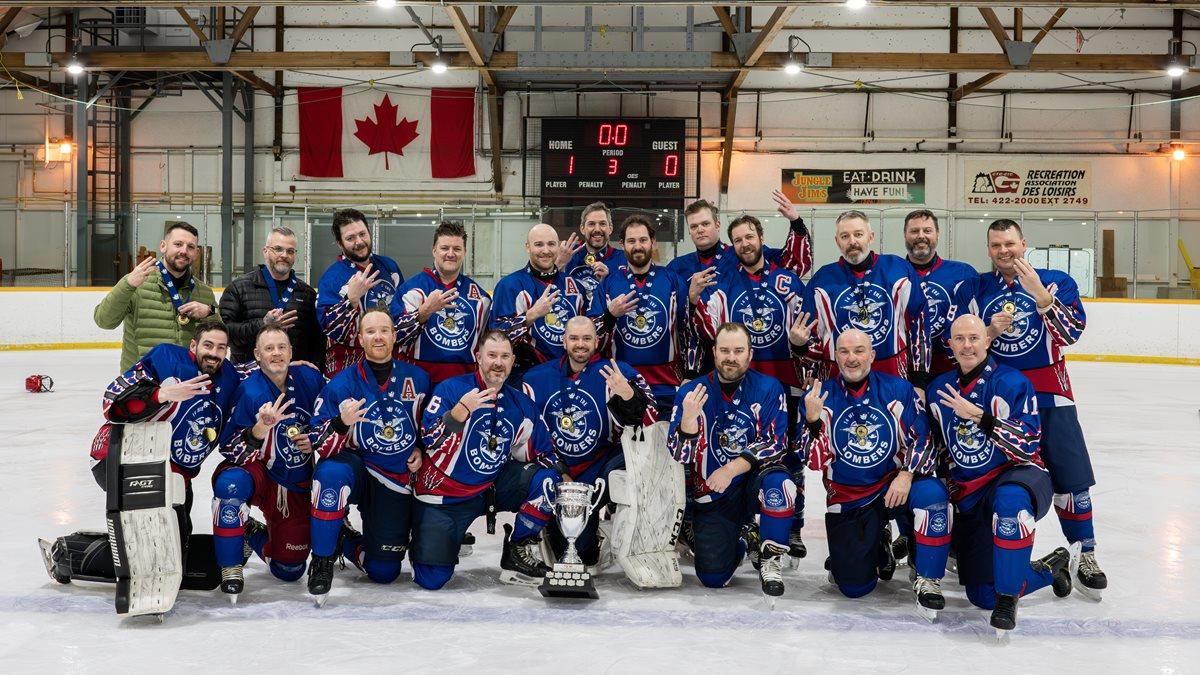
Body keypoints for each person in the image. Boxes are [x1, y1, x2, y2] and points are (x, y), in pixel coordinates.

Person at [950, 219, 1107, 599]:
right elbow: (957, 344)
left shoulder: (1055, 281)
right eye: (996, 245)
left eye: (1010, 243)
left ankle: (1084, 552)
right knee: (986, 475)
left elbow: (1070, 335)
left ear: (1024, 244)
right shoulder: (974, 289)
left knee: (1070, 477)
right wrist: (988, 332)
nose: (1004, 251)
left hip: (1050, 394)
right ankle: (980, 549)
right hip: (996, 398)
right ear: (988, 250)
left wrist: (1041, 298)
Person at [41, 319, 240, 590]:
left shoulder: (229, 377)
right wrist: (161, 394)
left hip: (175, 475)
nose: (214, 353)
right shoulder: (166, 358)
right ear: (193, 345)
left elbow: (261, 371)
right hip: (122, 456)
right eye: (208, 345)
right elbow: (112, 401)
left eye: (221, 348)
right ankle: (68, 554)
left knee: (175, 554)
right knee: (154, 554)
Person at [927, 314, 1073, 631]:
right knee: (981, 595)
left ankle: (1008, 601)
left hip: (1020, 475)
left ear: (987, 340)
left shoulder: (1011, 382)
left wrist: (981, 417)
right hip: (971, 491)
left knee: (1009, 502)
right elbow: (939, 448)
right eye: (960, 339)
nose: (967, 345)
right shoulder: (938, 389)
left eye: (974, 338)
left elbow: (1027, 445)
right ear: (950, 345)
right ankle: (1050, 568)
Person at [797, 329, 951, 610]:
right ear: (836, 356)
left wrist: (906, 474)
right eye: (844, 352)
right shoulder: (817, 397)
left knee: (931, 493)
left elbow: (924, 439)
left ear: (872, 355)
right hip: (849, 496)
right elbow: (813, 461)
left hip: (894, 486)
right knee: (854, 587)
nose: (851, 358)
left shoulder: (898, 390)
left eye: (859, 351)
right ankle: (878, 543)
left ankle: (928, 577)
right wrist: (812, 421)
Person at [693, 214, 817, 562]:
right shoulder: (724, 284)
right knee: (740, 447)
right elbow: (709, 330)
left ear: (761, 238)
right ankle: (746, 521)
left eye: (749, 237)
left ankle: (791, 525)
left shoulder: (786, 280)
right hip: (743, 384)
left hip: (786, 382)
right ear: (732, 246)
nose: (745, 244)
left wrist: (804, 356)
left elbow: (806, 330)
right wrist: (693, 301)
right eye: (738, 240)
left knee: (789, 455)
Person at [409, 330, 563, 590]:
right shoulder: (451, 389)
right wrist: (460, 412)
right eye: (492, 355)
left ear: (512, 361)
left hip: (489, 489)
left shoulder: (520, 403)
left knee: (547, 480)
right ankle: (435, 539)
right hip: (443, 496)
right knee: (432, 579)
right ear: (478, 357)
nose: (498, 363)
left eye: (504, 356)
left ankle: (517, 549)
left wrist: (564, 480)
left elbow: (543, 452)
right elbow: (429, 440)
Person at [303, 308, 432, 605]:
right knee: (329, 475)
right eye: (371, 331)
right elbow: (317, 441)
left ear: (395, 336)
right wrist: (340, 423)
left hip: (393, 477)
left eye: (384, 330)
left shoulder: (419, 379)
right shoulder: (340, 384)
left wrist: (421, 448)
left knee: (384, 571)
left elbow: (433, 426)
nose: (378, 337)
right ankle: (321, 560)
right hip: (355, 466)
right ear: (360, 339)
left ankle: (345, 539)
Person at [666, 323, 794, 598]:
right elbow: (678, 454)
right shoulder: (691, 392)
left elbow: (775, 443)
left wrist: (731, 468)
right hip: (714, 491)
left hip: (753, 482)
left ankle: (770, 560)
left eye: (738, 351)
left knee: (780, 485)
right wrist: (688, 422)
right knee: (713, 577)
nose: (731, 357)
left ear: (750, 354)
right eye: (724, 350)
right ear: (714, 352)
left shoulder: (769, 387)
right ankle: (747, 537)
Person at [522, 316, 654, 566]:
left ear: (596, 341)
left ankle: (614, 523)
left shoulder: (617, 372)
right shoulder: (536, 378)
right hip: (558, 470)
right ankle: (553, 527)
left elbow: (650, 421)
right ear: (564, 341)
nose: (580, 344)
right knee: (575, 553)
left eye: (586, 338)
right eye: (574, 338)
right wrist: (559, 470)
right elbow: (528, 435)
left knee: (632, 459)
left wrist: (627, 395)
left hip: (599, 466)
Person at [211, 323, 326, 601]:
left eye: (281, 347)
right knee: (230, 485)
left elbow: (332, 417)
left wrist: (315, 438)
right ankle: (230, 567)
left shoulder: (310, 378)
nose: (276, 353)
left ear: (291, 351)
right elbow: (228, 448)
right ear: (257, 355)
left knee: (290, 569)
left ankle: (252, 533)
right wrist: (258, 431)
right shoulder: (249, 392)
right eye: (269, 348)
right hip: (257, 473)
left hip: (293, 482)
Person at [669, 196, 812, 377]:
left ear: (717, 225)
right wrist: (692, 299)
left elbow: (792, 264)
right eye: (694, 226)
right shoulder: (677, 267)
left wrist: (796, 222)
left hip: (745, 357)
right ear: (689, 231)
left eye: (705, 223)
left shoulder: (741, 252)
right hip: (698, 359)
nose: (700, 230)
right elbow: (674, 319)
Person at [806, 210, 930, 388]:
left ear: (871, 237)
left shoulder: (899, 270)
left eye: (858, 234)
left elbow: (919, 324)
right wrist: (811, 371)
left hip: (892, 373)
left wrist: (919, 380)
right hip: (838, 377)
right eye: (845, 236)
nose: (852, 241)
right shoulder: (822, 280)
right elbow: (812, 333)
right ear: (837, 241)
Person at [587, 214, 696, 417]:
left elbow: (689, 330)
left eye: (643, 240)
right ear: (622, 245)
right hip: (623, 382)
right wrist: (610, 315)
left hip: (668, 384)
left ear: (652, 242)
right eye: (631, 241)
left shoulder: (673, 280)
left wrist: (690, 374)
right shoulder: (608, 284)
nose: (637, 246)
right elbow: (591, 336)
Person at [94, 222, 220, 371]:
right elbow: (104, 321)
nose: (184, 251)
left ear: (196, 253)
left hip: (186, 378)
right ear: (163, 246)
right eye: (178, 244)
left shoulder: (204, 292)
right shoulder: (137, 284)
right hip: (144, 379)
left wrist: (210, 312)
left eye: (190, 247)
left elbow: (220, 337)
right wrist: (127, 285)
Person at [390, 221, 492, 386]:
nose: (451, 254)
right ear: (434, 250)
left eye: (457, 249)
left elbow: (488, 346)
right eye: (445, 248)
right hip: (418, 385)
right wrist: (423, 312)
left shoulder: (481, 298)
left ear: (465, 252)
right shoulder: (411, 290)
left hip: (464, 386)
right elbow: (394, 337)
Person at [490, 223, 588, 379]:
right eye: (539, 244)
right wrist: (531, 315)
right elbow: (495, 339)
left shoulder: (574, 286)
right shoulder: (509, 285)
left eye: (551, 244)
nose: (546, 250)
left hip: (568, 376)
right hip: (525, 377)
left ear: (558, 246)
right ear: (527, 247)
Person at [315, 208, 405, 375]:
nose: (359, 242)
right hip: (348, 367)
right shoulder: (332, 278)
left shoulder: (389, 266)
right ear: (340, 243)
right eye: (350, 238)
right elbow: (328, 327)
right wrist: (351, 300)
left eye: (362, 234)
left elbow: (401, 311)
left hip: (388, 361)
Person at [219, 226, 324, 367]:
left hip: (293, 374)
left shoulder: (307, 293)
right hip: (249, 374)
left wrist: (313, 367)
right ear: (265, 251)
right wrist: (263, 325)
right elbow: (225, 333)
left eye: (290, 251)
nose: (284, 255)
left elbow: (317, 340)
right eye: (278, 249)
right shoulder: (239, 288)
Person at [902, 210, 977, 377]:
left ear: (937, 234)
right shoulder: (894, 273)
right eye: (914, 231)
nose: (921, 236)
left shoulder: (963, 273)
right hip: (906, 368)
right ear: (905, 235)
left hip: (953, 368)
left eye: (927, 230)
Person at [563, 202, 627, 303]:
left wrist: (608, 281)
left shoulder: (624, 259)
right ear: (582, 229)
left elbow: (630, 297)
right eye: (591, 224)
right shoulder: (568, 255)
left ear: (610, 228)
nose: (597, 229)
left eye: (602, 224)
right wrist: (558, 264)